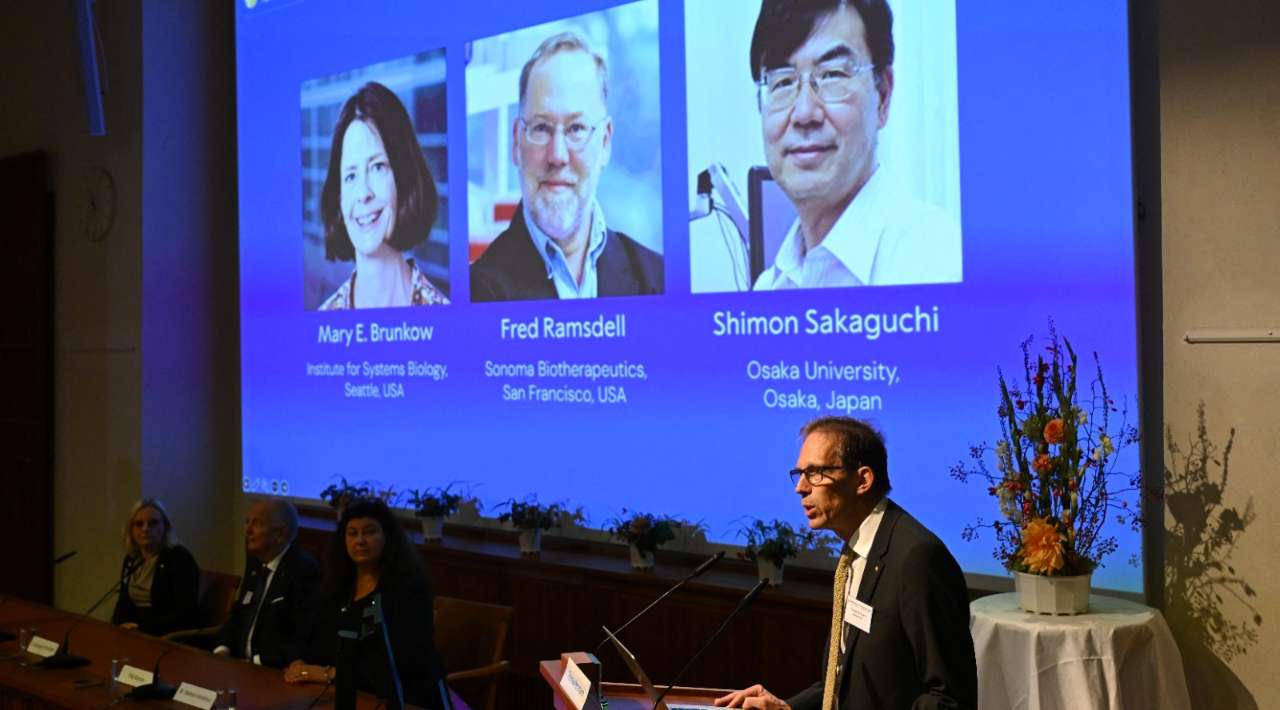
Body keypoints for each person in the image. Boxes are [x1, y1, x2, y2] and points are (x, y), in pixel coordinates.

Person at [716, 416, 976, 709]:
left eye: (814, 472)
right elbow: (846, 684)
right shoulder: (855, 554)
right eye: (799, 473)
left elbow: (949, 699)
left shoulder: (917, 558)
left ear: (863, 480)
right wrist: (787, 708)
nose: (800, 488)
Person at [749, 0, 961, 290]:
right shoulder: (767, 290)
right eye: (782, 82)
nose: (804, 113)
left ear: (883, 96)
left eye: (833, 74)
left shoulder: (940, 266)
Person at [470, 32, 663, 302]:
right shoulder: (477, 292)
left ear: (605, 142)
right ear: (516, 142)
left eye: (576, 129)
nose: (557, 155)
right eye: (540, 128)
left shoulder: (657, 279)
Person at [283, 498, 451, 709]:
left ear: (387, 537)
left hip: (404, 699)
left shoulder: (409, 588)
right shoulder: (335, 585)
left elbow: (400, 662)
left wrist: (327, 673)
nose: (360, 540)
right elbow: (305, 632)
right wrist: (298, 662)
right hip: (339, 695)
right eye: (352, 533)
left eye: (370, 532)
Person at [318, 81, 449, 309]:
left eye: (377, 167)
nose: (363, 194)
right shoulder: (322, 322)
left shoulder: (442, 314)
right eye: (350, 176)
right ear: (339, 198)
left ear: (403, 178)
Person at [213, 499, 321, 668]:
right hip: (238, 667)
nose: (248, 530)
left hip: (272, 671)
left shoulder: (303, 570)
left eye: (257, 523)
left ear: (280, 533)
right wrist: (222, 649)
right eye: (247, 522)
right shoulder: (256, 564)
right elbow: (238, 615)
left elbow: (301, 637)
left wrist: (254, 662)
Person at [110, 498, 201, 636]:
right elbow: (123, 601)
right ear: (131, 530)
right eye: (139, 524)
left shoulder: (179, 558)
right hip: (135, 632)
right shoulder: (131, 559)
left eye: (153, 523)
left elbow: (185, 613)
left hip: (166, 635)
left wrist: (143, 628)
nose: (145, 528)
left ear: (165, 527)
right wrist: (120, 623)